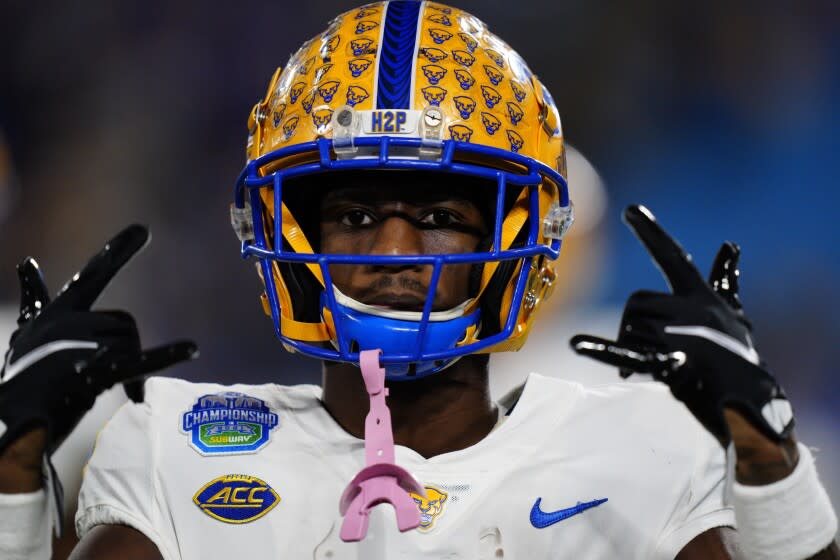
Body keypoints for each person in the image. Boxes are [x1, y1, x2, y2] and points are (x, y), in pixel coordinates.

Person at [0, 2, 837, 558]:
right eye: (357, 215)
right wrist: (9, 484)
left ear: (520, 237)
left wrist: (771, 465)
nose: (397, 247)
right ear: (285, 229)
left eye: (438, 214)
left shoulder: (642, 448)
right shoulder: (172, 447)